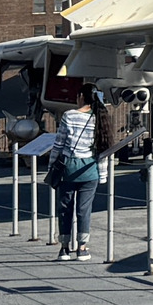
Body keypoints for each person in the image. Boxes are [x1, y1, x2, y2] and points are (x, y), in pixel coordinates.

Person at [53, 83, 108, 263]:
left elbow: (59, 144)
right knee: (84, 210)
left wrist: (52, 166)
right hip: (90, 170)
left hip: (69, 168)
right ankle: (82, 248)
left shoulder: (69, 115)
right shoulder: (99, 117)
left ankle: (64, 248)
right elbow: (102, 150)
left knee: (65, 208)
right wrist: (103, 175)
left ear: (81, 97)